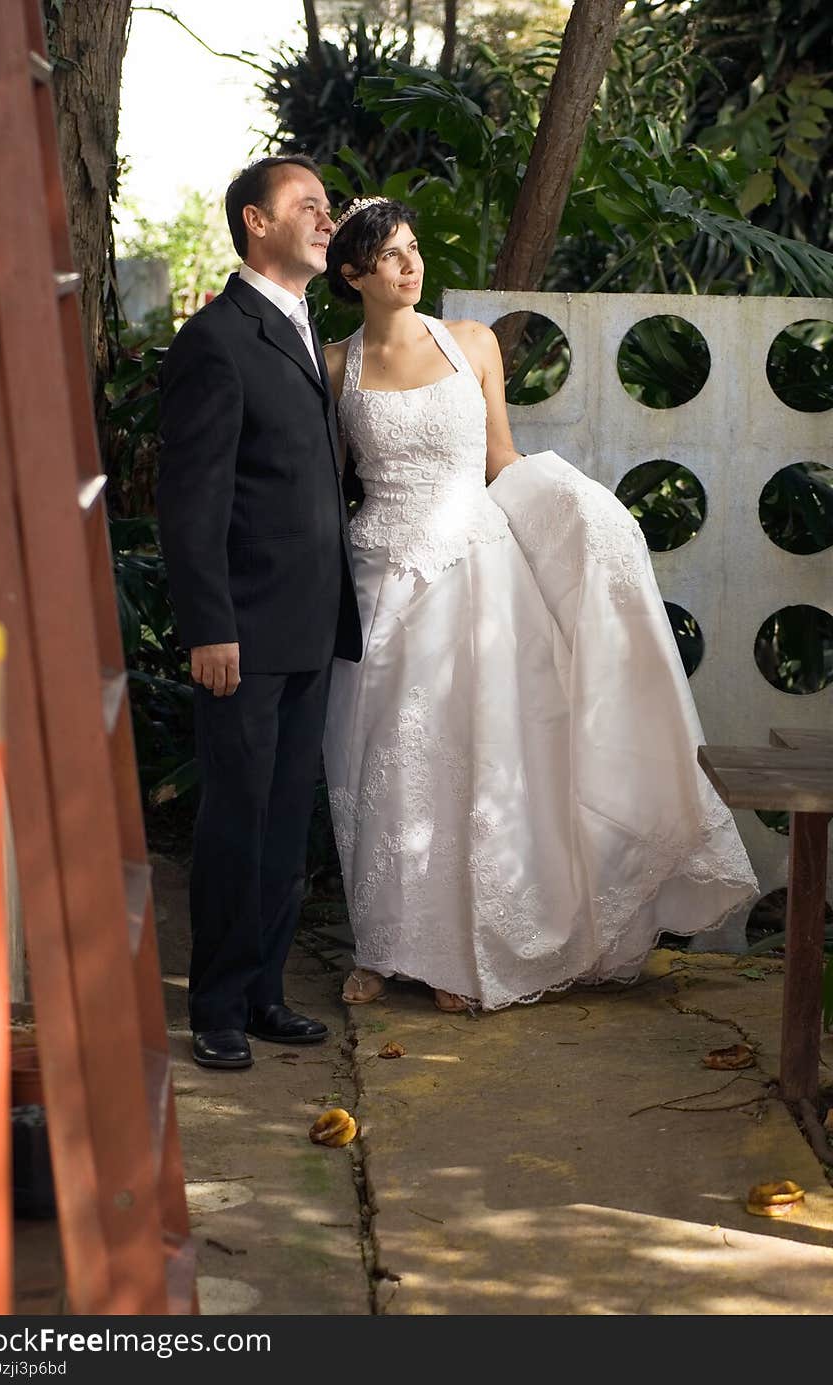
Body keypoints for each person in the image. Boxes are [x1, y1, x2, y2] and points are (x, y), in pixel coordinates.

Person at [321, 196, 758, 1014]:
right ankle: (382, 945)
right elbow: (326, 482)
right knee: (382, 760)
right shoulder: (338, 364)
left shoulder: (474, 344)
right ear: (353, 275)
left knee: (483, 757)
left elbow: (499, 456)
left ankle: (462, 948)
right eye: (390, 256)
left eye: (414, 248)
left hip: (478, 572)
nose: (411, 265)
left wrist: (584, 518)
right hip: (380, 574)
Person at [156, 157, 362, 1068]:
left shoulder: (307, 326)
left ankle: (267, 991)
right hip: (241, 631)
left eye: (328, 207)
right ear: (255, 222)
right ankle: (218, 1006)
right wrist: (209, 625)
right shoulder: (215, 339)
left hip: (311, 626)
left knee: (284, 821)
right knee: (236, 819)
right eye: (308, 207)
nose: (328, 219)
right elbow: (191, 502)